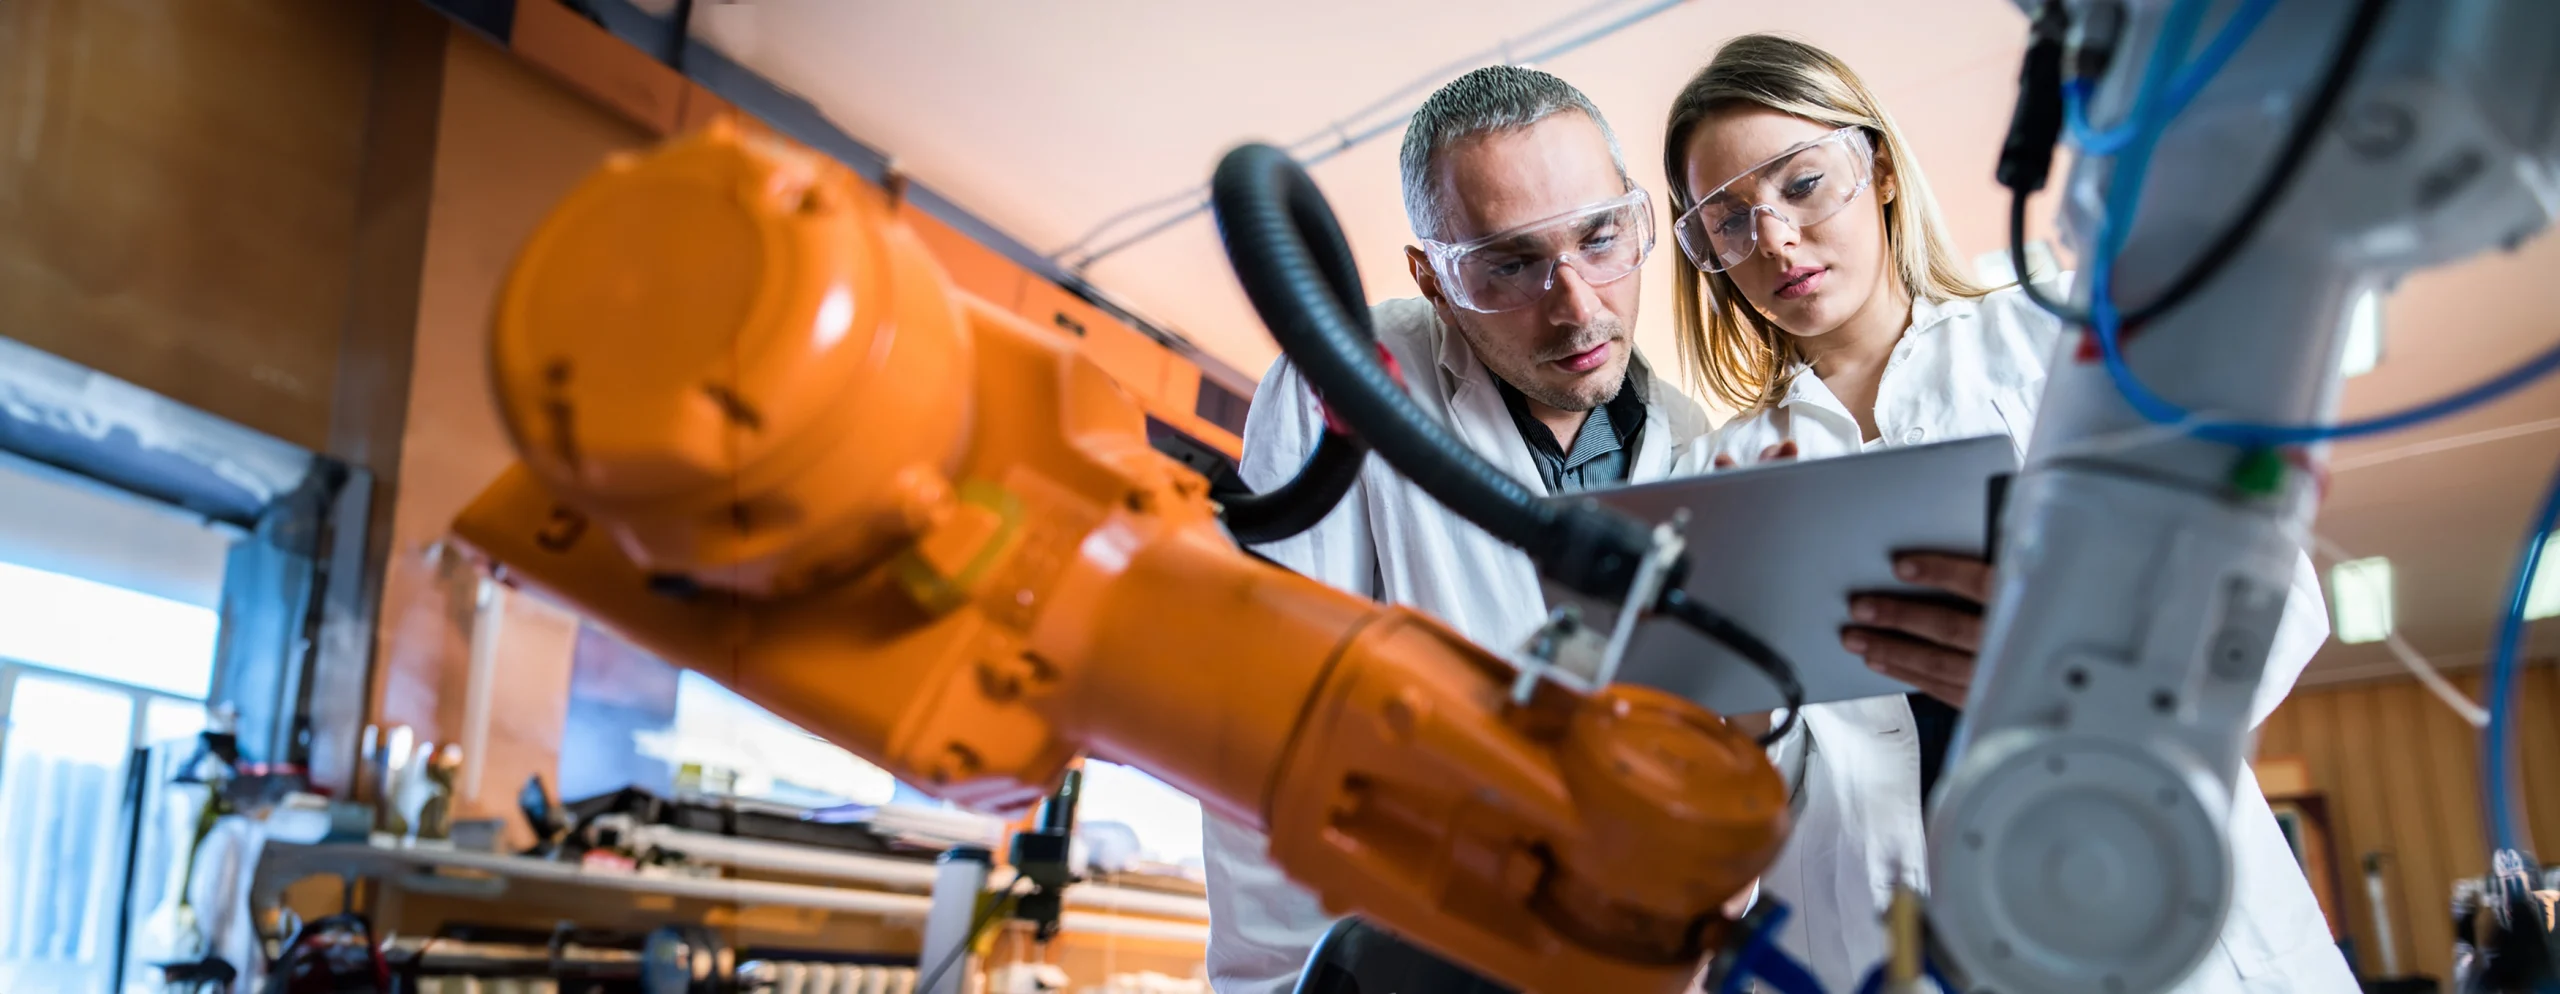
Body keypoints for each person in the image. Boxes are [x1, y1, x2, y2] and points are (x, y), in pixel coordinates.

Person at [1660, 34, 2355, 991]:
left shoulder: (2063, 338)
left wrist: (2072, 668)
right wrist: (1744, 705)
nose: (1774, 239)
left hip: (2159, 910)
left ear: (1882, 171)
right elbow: (1741, 807)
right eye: (1728, 221)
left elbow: (2275, 600)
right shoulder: (1719, 473)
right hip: (1901, 950)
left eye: (1802, 184)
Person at [1201, 64, 1712, 994]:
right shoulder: (1347, 375)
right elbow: (1262, 712)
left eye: (1601, 237)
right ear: (1432, 278)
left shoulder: (1690, 437)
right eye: (1510, 264)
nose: (1579, 305)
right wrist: (1286, 984)